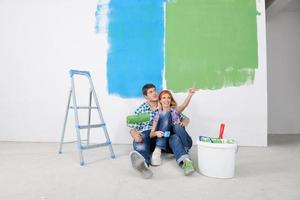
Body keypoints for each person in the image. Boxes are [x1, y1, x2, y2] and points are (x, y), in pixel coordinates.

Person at [129, 83, 193, 178]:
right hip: (150, 138)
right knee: (143, 135)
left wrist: (183, 123)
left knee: (174, 137)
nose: (154, 93)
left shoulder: (168, 107)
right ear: (145, 96)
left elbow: (184, 116)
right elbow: (132, 128)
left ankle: (185, 161)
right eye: (150, 92)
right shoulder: (142, 110)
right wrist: (134, 135)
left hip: (167, 138)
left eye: (155, 90)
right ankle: (144, 165)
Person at [150, 88, 196, 171]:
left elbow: (184, 105)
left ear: (171, 100)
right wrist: (156, 133)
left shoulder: (174, 110)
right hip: (170, 143)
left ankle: (183, 149)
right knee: (174, 138)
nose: (166, 100)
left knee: (177, 126)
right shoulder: (157, 115)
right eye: (164, 98)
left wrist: (189, 95)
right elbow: (151, 134)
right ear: (160, 100)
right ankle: (186, 162)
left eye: (168, 98)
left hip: (185, 142)